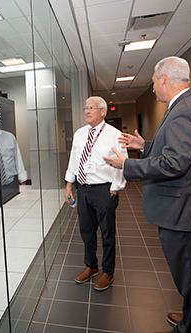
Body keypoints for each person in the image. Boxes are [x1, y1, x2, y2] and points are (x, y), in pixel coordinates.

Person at [104, 56, 191, 333]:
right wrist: (145, 146)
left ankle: (190, 327)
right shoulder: (189, 105)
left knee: (190, 276)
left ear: (164, 78)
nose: (153, 87)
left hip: (184, 211)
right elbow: (177, 150)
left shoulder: (185, 110)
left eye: (154, 81)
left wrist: (127, 164)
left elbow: (174, 163)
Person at [65, 96, 127, 291]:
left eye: (92, 108)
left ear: (103, 111)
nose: (87, 111)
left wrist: (114, 188)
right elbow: (74, 160)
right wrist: (69, 184)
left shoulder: (115, 134)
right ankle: (91, 266)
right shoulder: (79, 134)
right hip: (83, 189)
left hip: (104, 189)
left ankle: (108, 271)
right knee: (86, 231)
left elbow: (122, 163)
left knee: (107, 233)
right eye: (85, 108)